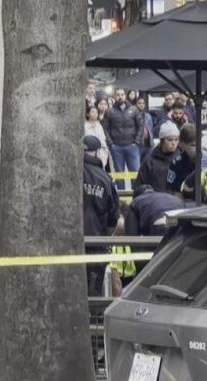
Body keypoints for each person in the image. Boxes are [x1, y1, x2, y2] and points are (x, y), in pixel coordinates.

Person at [82, 135, 120, 296]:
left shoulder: (69, 174)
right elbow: (113, 216)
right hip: (97, 243)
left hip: (71, 244)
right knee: (94, 291)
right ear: (97, 152)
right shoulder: (105, 179)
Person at [106, 88, 144, 189]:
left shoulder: (134, 109)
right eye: (118, 95)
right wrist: (111, 144)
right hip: (116, 147)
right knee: (119, 174)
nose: (120, 97)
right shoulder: (110, 111)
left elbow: (140, 126)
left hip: (132, 145)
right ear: (115, 96)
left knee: (135, 172)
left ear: (125, 96)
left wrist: (136, 141)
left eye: (122, 94)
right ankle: (121, 198)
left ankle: (136, 195)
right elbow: (105, 128)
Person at [136, 121, 180, 193]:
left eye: (176, 140)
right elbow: (139, 186)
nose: (174, 143)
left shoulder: (182, 159)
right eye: (170, 140)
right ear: (162, 141)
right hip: (155, 201)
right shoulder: (149, 161)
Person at [166, 124, 200, 194]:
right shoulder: (177, 163)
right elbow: (170, 188)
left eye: (198, 144)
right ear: (182, 144)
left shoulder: (206, 159)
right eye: (193, 145)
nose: (196, 148)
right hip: (184, 200)